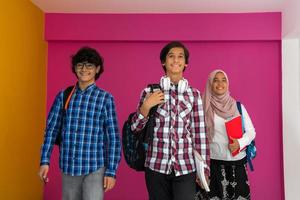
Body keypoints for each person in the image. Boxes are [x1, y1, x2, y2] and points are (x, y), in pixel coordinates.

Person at [38, 47, 121, 200]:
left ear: (97, 69)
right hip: (68, 166)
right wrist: (44, 161)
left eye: (89, 65)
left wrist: (111, 171)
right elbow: (51, 130)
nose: (84, 69)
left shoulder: (105, 98)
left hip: (95, 166)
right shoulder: (64, 96)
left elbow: (113, 138)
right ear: (75, 68)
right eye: (80, 65)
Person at [131, 41, 210, 200]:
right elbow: (135, 128)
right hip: (155, 166)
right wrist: (146, 107)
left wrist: (205, 170)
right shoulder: (150, 91)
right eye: (171, 56)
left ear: (185, 63)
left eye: (180, 57)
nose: (176, 60)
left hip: (186, 167)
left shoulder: (193, 95)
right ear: (163, 62)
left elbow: (200, 135)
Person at [201, 69, 256, 200]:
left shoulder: (238, 106)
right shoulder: (204, 107)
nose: (220, 83)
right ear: (210, 84)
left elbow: (251, 132)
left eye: (223, 80)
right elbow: (197, 136)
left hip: (237, 164)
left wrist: (240, 143)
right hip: (213, 165)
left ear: (227, 83)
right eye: (215, 80)